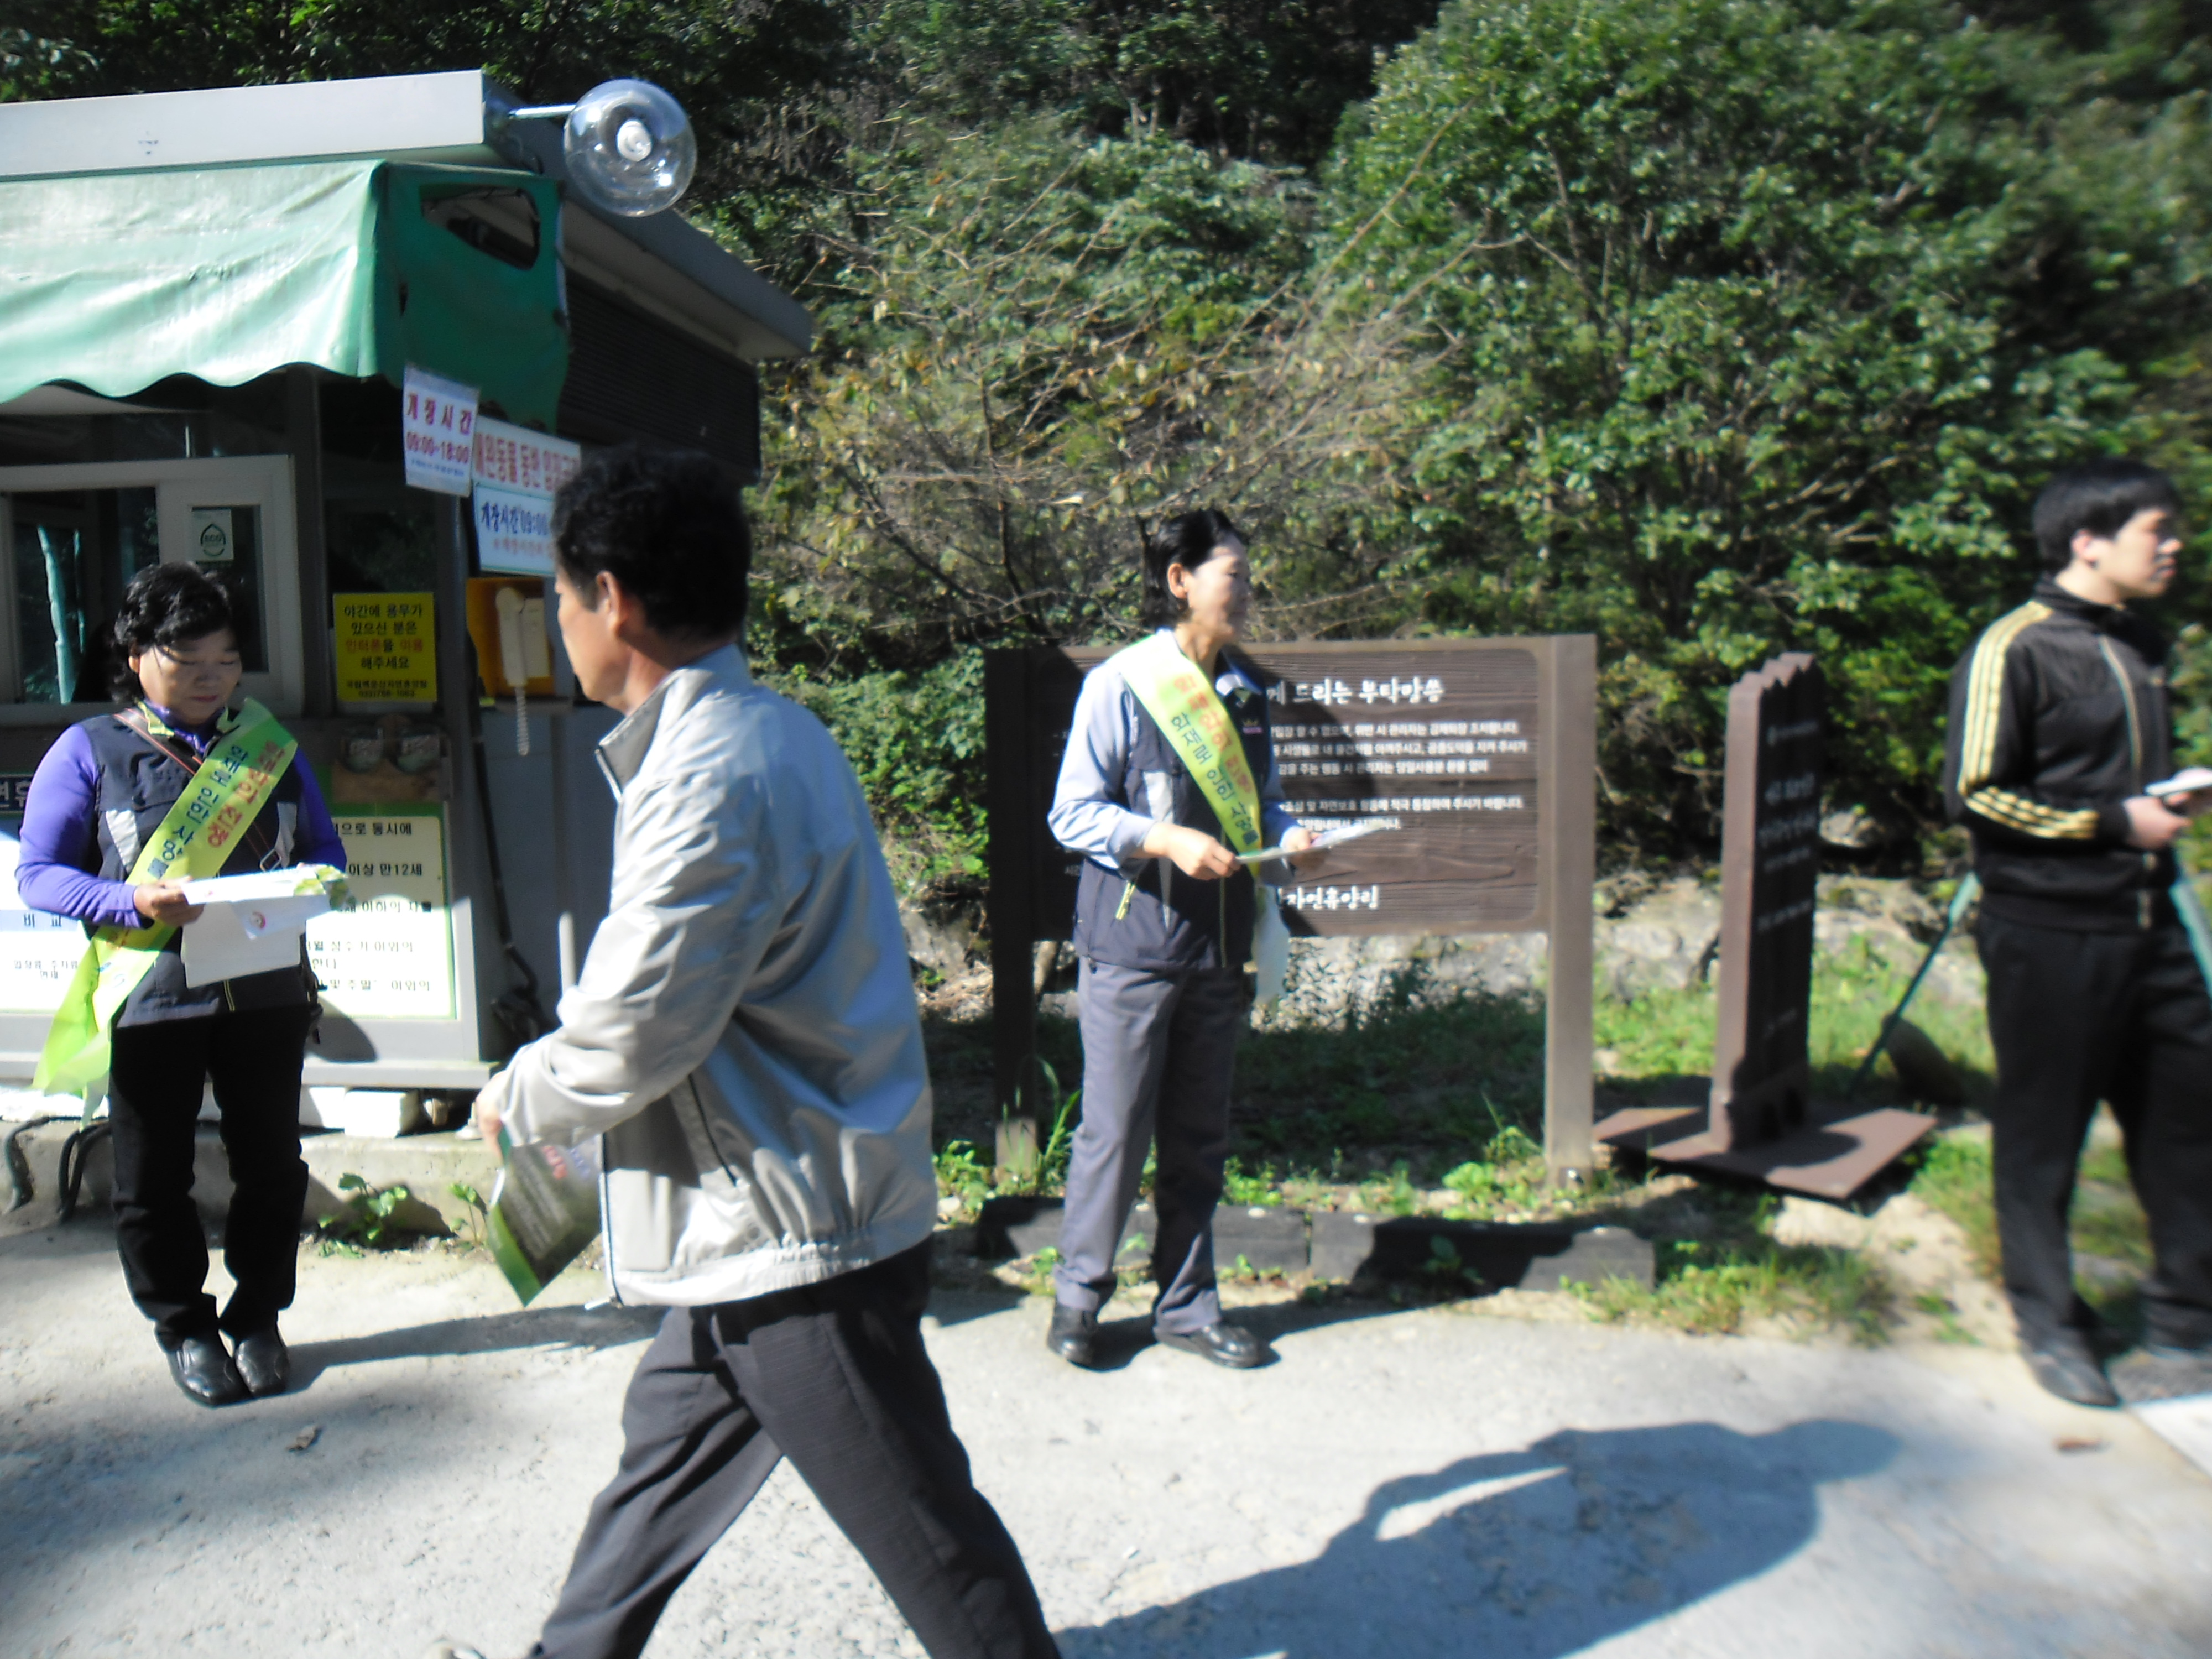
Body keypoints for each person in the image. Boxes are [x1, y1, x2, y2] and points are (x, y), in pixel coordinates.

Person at [456, 445, 1058, 1659]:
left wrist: (516, 1095)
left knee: (931, 1537)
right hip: (765, 1210)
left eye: (561, 598)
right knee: (656, 1477)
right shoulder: (764, 732)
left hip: (794, 1244)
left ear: (613, 599)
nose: (559, 625)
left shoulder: (709, 774)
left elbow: (634, 1031)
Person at [17, 563, 346, 1407]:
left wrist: (311, 885)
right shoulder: (89, 750)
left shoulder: (269, 749)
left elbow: (326, 853)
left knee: (272, 1165)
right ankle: (184, 1327)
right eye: (187, 659)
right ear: (136, 657)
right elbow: (39, 875)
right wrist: (131, 902)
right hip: (151, 994)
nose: (211, 678)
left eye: (227, 660)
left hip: (266, 991)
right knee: (151, 1178)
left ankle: (259, 1317)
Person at [1942, 457, 2212, 1407]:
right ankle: (2049, 1322)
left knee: (2188, 1120)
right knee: (2044, 1131)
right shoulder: (2013, 647)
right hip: (2050, 930)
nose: (2174, 547)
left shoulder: (2140, 641)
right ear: (2087, 542)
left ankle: (2186, 1317)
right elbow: (1974, 793)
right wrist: (2112, 824)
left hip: (2152, 923)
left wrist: (2166, 804)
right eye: (2156, 532)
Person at [1042, 509, 1322, 1371]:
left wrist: (1294, 838)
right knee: (1114, 1132)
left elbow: (1264, 807)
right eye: (1233, 574)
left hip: (1217, 950)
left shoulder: (1247, 693)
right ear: (1180, 581)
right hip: (1132, 950)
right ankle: (1079, 1300)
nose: (1247, 591)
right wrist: (1163, 841)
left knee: (1199, 1137)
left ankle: (1188, 1309)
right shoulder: (1123, 685)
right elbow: (1071, 813)